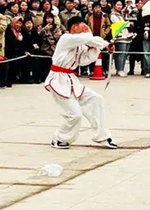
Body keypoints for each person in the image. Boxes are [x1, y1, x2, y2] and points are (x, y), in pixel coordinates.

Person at [45, 16, 117, 149]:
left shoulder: (80, 45)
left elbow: (85, 60)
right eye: (83, 27)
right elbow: (87, 38)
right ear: (73, 28)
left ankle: (103, 136)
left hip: (72, 80)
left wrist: (96, 48)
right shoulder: (66, 38)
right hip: (58, 80)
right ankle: (59, 138)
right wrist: (105, 43)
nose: (86, 30)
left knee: (96, 99)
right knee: (75, 114)